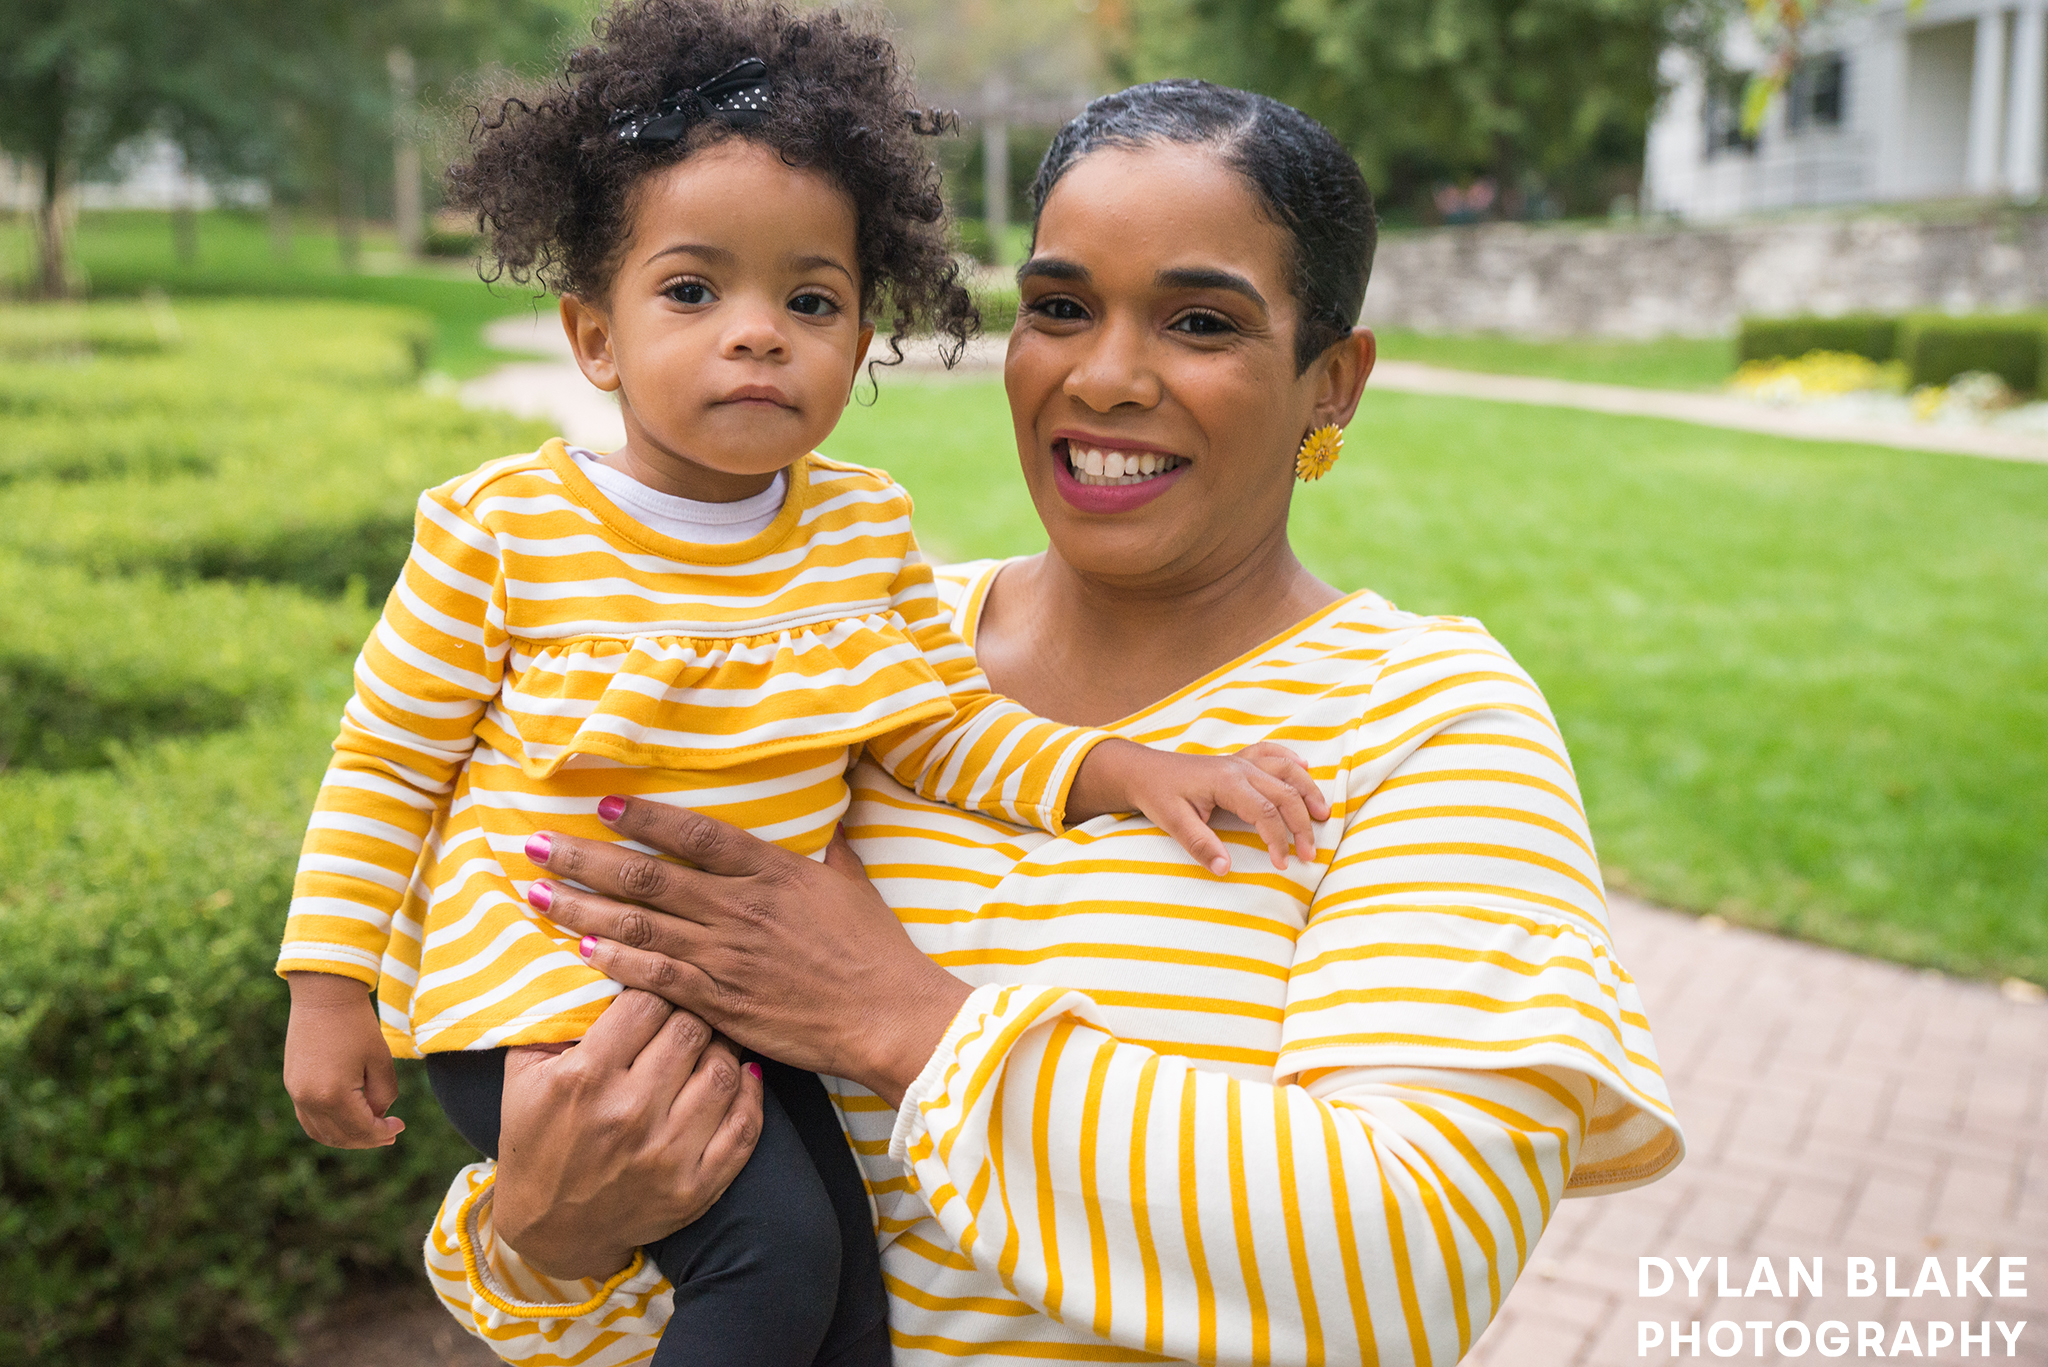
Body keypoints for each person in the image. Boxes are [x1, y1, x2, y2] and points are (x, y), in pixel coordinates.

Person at [420, 79, 1687, 1366]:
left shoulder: (1426, 720)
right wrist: (545, 1240)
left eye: (1200, 321)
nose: (1107, 375)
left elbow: (1399, 1265)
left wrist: (897, 1019)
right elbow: (687, 1244)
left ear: (1331, 382)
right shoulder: (842, 655)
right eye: (1059, 308)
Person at [272, 10, 1332, 1365]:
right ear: (594, 334)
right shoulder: (503, 530)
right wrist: (328, 985)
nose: (760, 336)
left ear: (863, 332)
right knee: (773, 1264)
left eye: (810, 300)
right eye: (694, 292)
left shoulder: (858, 532)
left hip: (746, 1000)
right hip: (549, 997)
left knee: (844, 1302)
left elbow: (941, 723)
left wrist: (1119, 766)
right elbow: (385, 761)